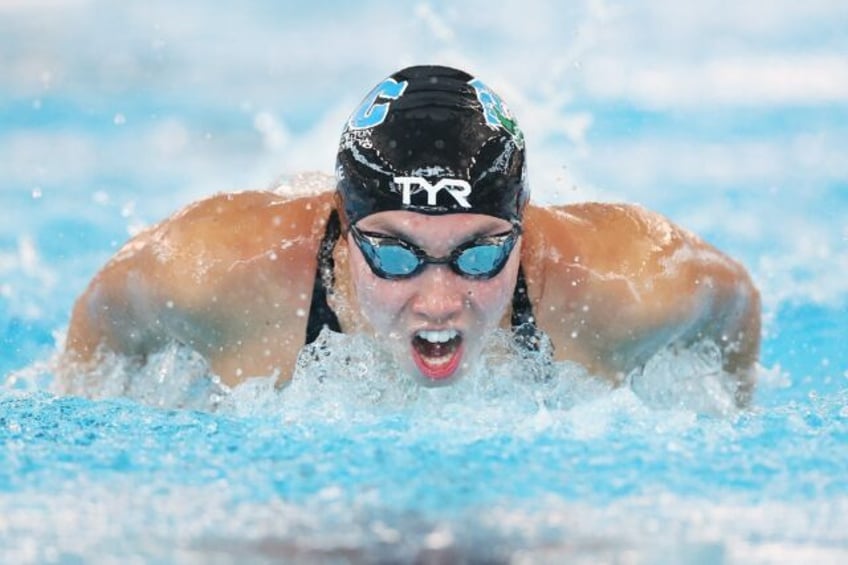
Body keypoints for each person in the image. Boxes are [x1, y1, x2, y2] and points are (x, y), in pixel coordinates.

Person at [60, 65, 761, 405]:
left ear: (523, 224)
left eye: (480, 253)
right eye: (395, 254)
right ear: (343, 226)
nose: (438, 301)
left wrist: (723, 411)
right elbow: (103, 319)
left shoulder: (623, 283)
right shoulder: (220, 267)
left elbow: (735, 305)